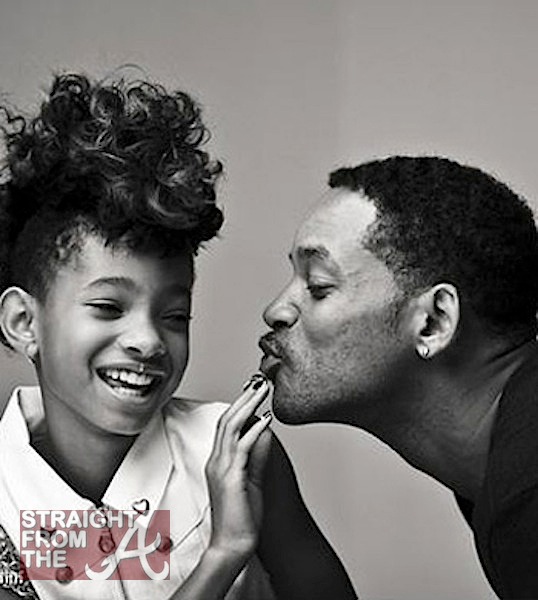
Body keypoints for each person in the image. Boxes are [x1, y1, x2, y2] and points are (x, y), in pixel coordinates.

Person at [0, 71, 356, 600]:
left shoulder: (238, 453)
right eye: (108, 307)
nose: (147, 341)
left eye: (174, 316)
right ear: (23, 322)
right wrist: (226, 551)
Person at [260, 155, 538, 600]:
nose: (275, 310)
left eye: (318, 287)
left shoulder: (526, 489)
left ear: (433, 322)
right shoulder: (502, 468)